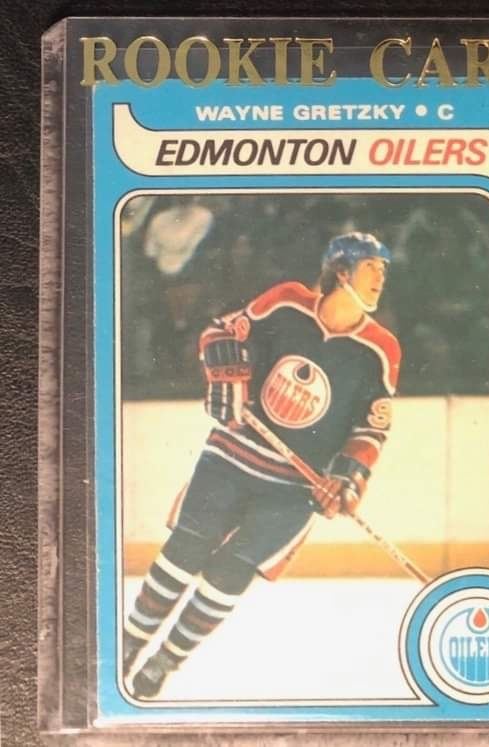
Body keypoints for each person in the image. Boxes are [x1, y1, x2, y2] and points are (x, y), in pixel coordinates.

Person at [122, 232, 402, 699]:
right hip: (233, 454)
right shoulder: (288, 302)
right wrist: (225, 373)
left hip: (293, 489)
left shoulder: (381, 349)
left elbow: (371, 428)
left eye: (384, 270)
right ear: (341, 271)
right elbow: (221, 333)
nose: (380, 278)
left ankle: (165, 661)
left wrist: (347, 477)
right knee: (186, 548)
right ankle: (129, 644)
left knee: (230, 573)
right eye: (371, 267)